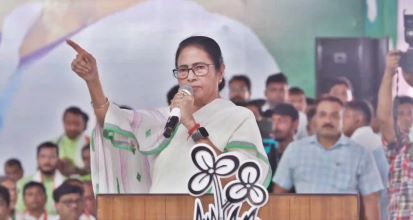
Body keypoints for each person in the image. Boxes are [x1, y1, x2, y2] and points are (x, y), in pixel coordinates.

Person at [67, 36, 270, 194]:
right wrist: (92, 80)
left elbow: (243, 179)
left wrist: (191, 124)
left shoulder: (238, 117)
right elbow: (113, 123)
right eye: (183, 70)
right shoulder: (165, 119)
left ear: (220, 71)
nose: (190, 76)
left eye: (199, 68)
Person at [273, 97, 383, 220]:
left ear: (343, 119)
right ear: (315, 120)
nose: (328, 120)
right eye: (322, 115)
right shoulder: (295, 150)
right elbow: (278, 195)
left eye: (335, 115)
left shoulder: (361, 154)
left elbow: (371, 201)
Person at [377, 50, 413, 219]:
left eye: (411, 112)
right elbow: (384, 118)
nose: (407, 118)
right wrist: (389, 74)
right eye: (401, 113)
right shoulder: (400, 146)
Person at [342, 100, 389, 219]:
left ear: (358, 119)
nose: (341, 122)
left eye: (345, 116)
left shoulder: (358, 142)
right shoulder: (372, 139)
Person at [16, 142, 65, 215]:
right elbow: (19, 212)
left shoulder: (67, 183)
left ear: (58, 159)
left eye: (52, 157)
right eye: (43, 156)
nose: (47, 161)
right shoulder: (22, 183)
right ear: (37, 158)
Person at [56, 107, 90, 177]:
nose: (72, 128)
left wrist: (75, 170)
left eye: (77, 124)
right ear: (63, 123)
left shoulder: (93, 143)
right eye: (69, 123)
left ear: (84, 125)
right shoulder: (53, 144)